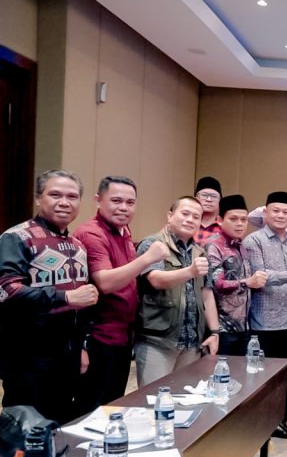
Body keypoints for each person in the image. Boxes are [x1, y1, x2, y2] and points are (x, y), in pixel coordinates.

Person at [0, 169, 97, 424]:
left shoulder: (78, 246)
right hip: (27, 357)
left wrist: (82, 347)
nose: (64, 202)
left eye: (72, 196)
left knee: (62, 425)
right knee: (27, 429)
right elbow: (7, 290)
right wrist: (65, 297)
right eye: (55, 195)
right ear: (38, 198)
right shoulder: (16, 237)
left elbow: (81, 307)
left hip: (68, 357)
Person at [72, 176, 167, 412]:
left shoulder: (123, 231)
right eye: (116, 200)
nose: (124, 207)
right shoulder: (91, 233)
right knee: (91, 412)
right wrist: (147, 258)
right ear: (98, 200)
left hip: (122, 338)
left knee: (113, 408)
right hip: (98, 338)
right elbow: (105, 282)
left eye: (130, 202)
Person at [242, 191, 287, 439]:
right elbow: (259, 276)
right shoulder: (254, 241)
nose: (281, 215)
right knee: (262, 376)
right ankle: (261, 423)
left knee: (280, 375)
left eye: (285, 212)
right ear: (266, 212)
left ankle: (274, 421)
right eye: (276, 211)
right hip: (263, 320)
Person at [135, 197, 220, 386]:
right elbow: (155, 279)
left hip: (192, 342)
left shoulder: (199, 252)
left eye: (196, 217)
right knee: (154, 398)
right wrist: (190, 271)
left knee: (185, 397)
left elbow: (206, 294)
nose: (190, 220)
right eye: (185, 213)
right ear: (170, 215)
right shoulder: (152, 244)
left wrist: (215, 332)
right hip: (158, 341)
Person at [205, 195, 268, 356]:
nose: (240, 223)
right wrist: (248, 282)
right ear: (219, 220)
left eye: (244, 219)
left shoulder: (241, 246)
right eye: (233, 219)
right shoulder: (213, 246)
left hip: (243, 327)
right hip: (222, 328)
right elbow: (216, 284)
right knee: (220, 371)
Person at [193, 176, 223, 245]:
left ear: (220, 200)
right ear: (196, 198)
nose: (209, 199)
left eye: (214, 196)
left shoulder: (225, 227)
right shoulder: (187, 223)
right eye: (204, 195)